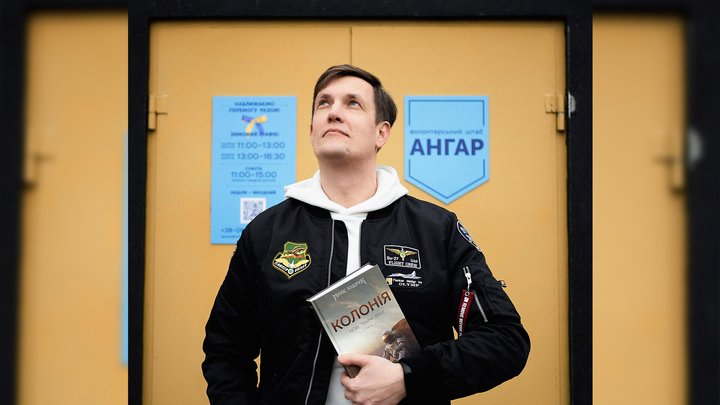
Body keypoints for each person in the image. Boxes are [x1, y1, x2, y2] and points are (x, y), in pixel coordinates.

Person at [202, 64, 530, 405]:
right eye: (324, 103)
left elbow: (504, 339)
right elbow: (226, 349)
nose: (333, 112)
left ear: (381, 133)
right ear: (311, 130)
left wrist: (409, 378)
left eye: (352, 103)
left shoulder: (436, 230)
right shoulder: (267, 231)